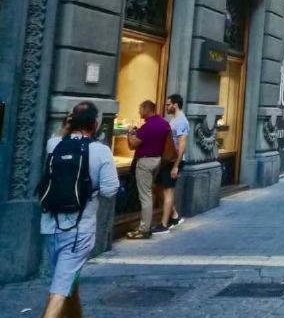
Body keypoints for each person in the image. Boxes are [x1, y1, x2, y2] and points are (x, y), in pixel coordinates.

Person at [38, 101, 119, 318]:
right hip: (78, 230)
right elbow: (111, 190)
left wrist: (66, 126)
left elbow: (58, 135)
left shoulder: (54, 144)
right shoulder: (101, 151)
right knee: (59, 290)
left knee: (65, 281)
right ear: (94, 125)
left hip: (50, 225)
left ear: (70, 122)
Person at [126, 100, 172, 239]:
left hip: (145, 161)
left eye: (140, 109)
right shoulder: (164, 123)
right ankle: (145, 224)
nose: (139, 112)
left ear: (147, 109)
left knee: (145, 196)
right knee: (149, 194)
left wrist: (129, 133)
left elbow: (133, 145)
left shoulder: (148, 126)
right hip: (158, 160)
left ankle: (144, 229)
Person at [156, 93, 189, 233]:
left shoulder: (181, 121)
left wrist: (176, 166)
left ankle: (164, 225)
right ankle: (174, 216)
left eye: (168, 104)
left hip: (174, 161)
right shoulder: (174, 119)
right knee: (158, 187)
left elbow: (182, 144)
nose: (167, 107)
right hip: (169, 159)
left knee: (168, 191)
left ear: (175, 105)